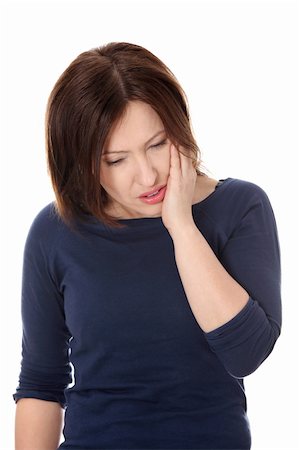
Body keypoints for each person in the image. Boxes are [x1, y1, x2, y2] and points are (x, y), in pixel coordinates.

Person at [13, 42, 282, 450]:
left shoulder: (239, 208)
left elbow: (246, 353)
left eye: (157, 144)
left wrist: (181, 225)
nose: (147, 175)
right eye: (116, 160)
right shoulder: (56, 232)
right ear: (82, 161)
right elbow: (40, 385)